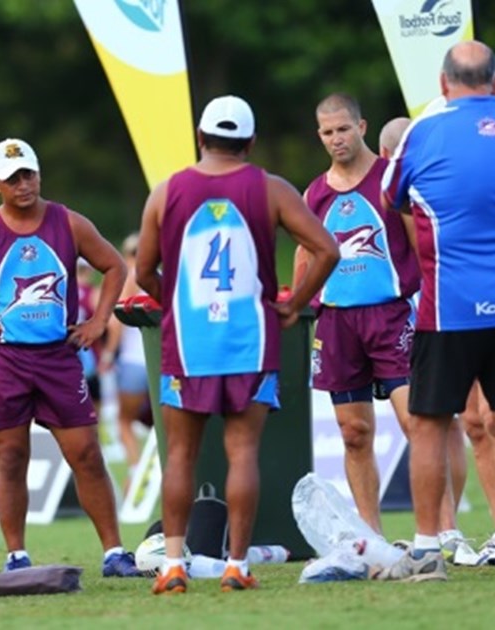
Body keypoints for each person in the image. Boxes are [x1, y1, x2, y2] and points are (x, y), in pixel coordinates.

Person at [136, 95, 339, 594]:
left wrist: (175, 306)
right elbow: (326, 249)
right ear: (250, 142)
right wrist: (296, 304)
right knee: (242, 451)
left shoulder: (166, 192)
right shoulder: (270, 188)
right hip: (250, 342)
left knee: (181, 455)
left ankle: (174, 564)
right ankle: (235, 565)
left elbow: (142, 271)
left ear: (200, 138)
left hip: (188, 344)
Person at [378, 41, 495, 582]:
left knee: (429, 426)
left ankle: (428, 549)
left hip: (450, 306)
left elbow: (391, 193)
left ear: (443, 82)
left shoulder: (424, 130)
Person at [0, 136, 142, 578]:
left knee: (87, 453)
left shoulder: (67, 222)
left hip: (58, 357)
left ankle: (114, 552)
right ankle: (16, 553)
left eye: (29, 174)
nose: (23, 184)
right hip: (3, 360)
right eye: (13, 177)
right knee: (11, 455)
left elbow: (115, 266)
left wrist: (97, 322)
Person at [301, 96, 478, 563]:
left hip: (393, 315)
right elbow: (306, 252)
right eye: (327, 133)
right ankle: (372, 537)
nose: (336, 140)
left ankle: (446, 530)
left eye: (343, 129)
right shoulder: (314, 193)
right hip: (337, 322)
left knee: (420, 423)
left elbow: (424, 239)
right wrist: (297, 304)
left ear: (362, 126)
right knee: (353, 432)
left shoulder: (390, 180)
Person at [100, 234, 151, 490]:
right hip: (163, 361)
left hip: (134, 361)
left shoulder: (132, 275)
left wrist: (108, 354)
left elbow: (116, 322)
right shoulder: (165, 274)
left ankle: (135, 472)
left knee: (124, 421)